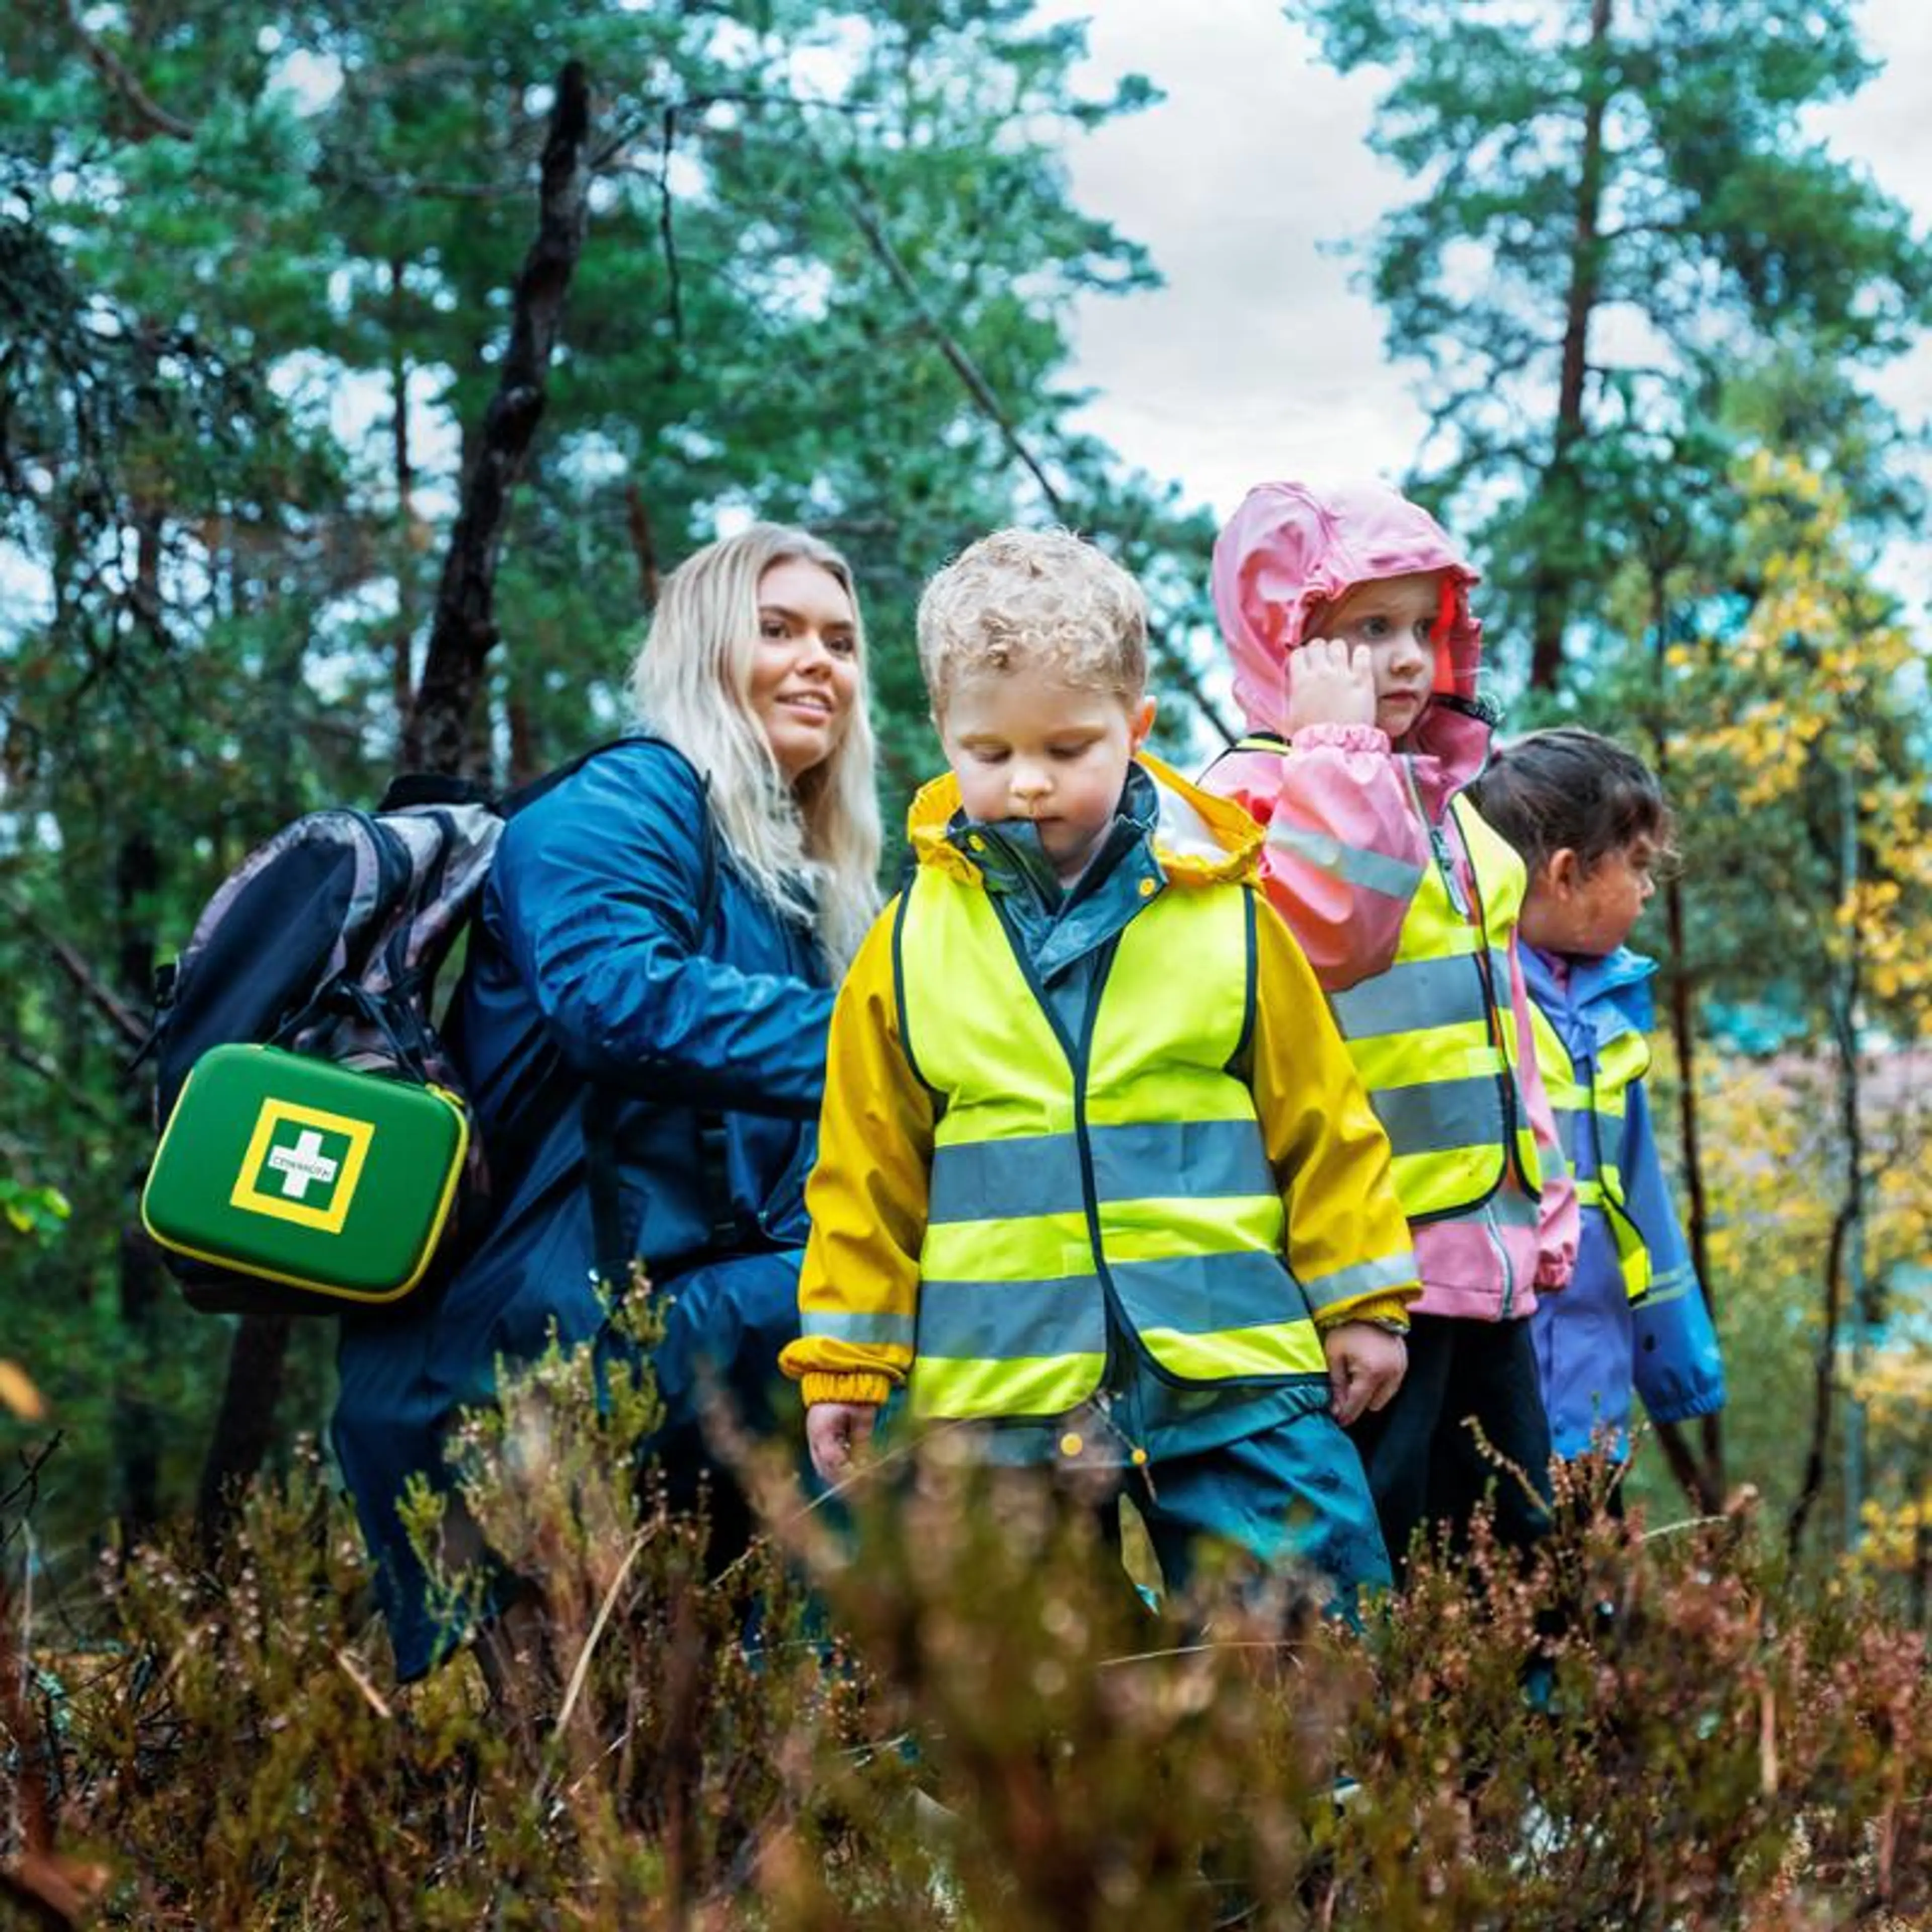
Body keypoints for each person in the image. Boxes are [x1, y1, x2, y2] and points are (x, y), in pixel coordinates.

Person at [781, 526, 1418, 1614]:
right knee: (1026, 1689)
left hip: (1234, 1368)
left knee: (1313, 1651)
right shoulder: (904, 947)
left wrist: (1362, 1298)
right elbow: (867, 1171)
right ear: (942, 734)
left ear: (1137, 727)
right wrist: (848, 1358)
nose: (1028, 782)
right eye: (989, 754)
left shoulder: (1229, 914)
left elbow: (1322, 1122)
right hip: (1000, 1394)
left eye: (1069, 748)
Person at [332, 523, 882, 1682]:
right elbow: (612, 998)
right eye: (775, 630)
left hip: (659, 1322)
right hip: (522, 1351)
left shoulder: (781, 872)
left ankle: (830, 1707)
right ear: (699, 650)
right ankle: (865, 1719)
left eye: (840, 640)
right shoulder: (628, 799)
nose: (817, 662)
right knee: (887, 1314)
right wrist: (903, 1042)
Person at [1200, 479, 1578, 1579]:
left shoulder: (1447, 806)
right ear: (1287, 640)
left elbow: (1506, 1030)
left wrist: (1542, 1198)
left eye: (1424, 627)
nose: (1410, 658)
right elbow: (1335, 931)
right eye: (1369, 631)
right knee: (1373, 1559)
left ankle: (1499, 1745)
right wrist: (1336, 754)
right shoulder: (1255, 797)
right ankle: (1375, 1751)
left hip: (1481, 1262)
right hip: (1369, 1282)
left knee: (1508, 1558)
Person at [1467, 727, 1726, 1476]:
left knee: (1577, 1572)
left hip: (1594, 1385)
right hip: (1498, 1380)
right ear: (1567, 873)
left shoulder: (1611, 1019)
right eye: (1638, 867)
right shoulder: (1475, 993)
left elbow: (1644, 1202)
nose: (1649, 890)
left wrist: (1682, 1367)